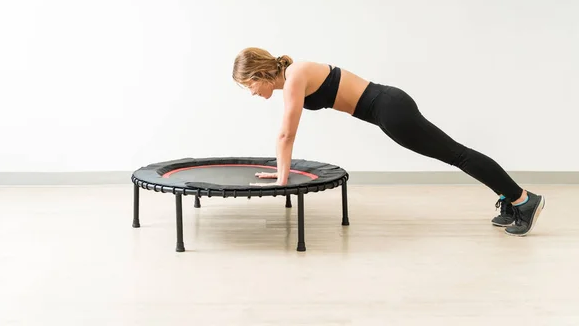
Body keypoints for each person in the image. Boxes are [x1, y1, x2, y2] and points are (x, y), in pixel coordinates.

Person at [231, 47, 545, 237]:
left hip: (390, 110)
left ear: (259, 73)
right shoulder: (293, 75)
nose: (251, 92)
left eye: (248, 84)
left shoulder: (295, 76)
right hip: (388, 108)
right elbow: (285, 133)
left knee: (457, 155)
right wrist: (280, 171)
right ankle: (510, 199)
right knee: (456, 154)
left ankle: (522, 199)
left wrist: (282, 177)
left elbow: (286, 133)